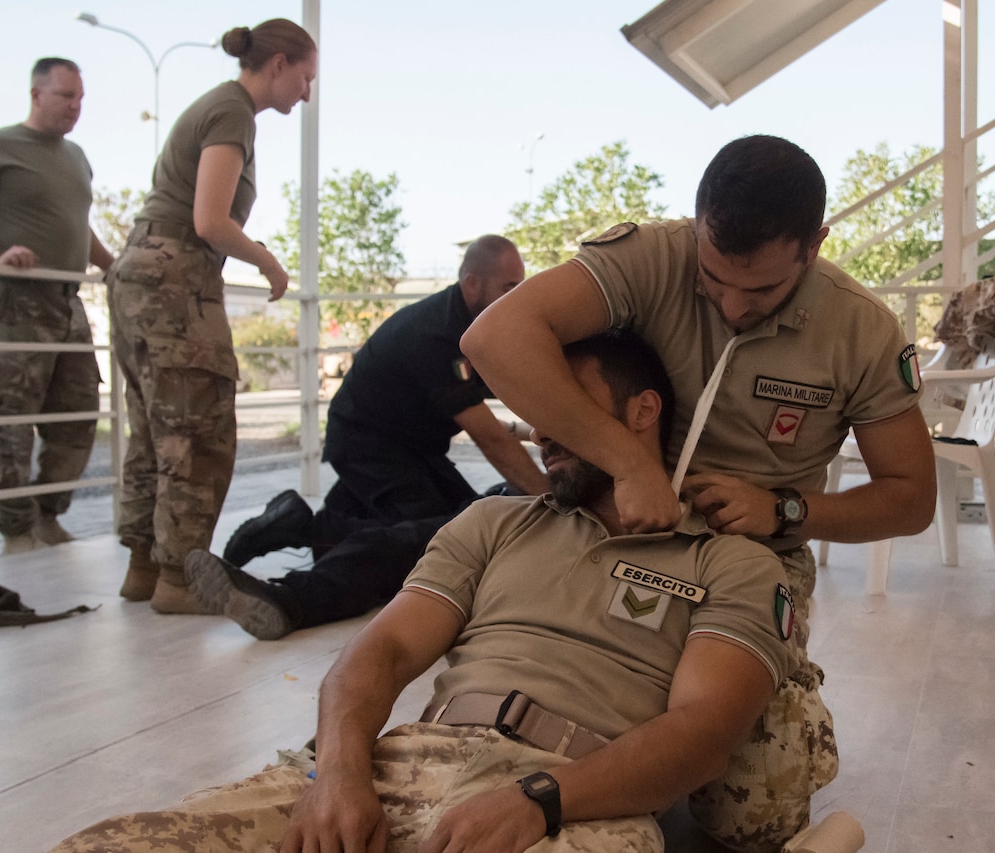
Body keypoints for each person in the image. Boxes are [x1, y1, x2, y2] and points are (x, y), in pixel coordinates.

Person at [47, 329, 800, 853]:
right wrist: (338, 774)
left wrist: (541, 798)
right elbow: (381, 649)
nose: (542, 426)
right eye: (537, 407)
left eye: (567, 404)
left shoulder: (730, 562)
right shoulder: (496, 522)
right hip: (402, 760)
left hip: (575, 800)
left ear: (642, 413)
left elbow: (703, 734)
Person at [461, 134, 933, 849]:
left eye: (763, 289)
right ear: (696, 226)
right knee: (537, 716)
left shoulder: (862, 329)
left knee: (751, 813)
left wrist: (786, 508)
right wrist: (629, 461)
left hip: (749, 561)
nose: (734, 306)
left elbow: (912, 496)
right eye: (714, 280)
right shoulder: (653, 254)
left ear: (815, 245)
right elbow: (495, 337)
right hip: (612, 526)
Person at [110, 19, 317, 614]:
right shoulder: (233, 112)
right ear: (278, 64)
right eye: (305, 78)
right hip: (175, 277)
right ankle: (178, 579)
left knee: (155, 430)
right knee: (198, 432)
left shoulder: (220, 107)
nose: (306, 93)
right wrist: (268, 262)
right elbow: (211, 221)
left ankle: (144, 567)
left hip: (140, 272)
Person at [210, 234, 547, 582]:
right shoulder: (436, 335)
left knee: (461, 519)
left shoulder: (474, 325)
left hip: (413, 448)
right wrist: (551, 498)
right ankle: (302, 526)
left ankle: (323, 529)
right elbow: (489, 438)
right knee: (438, 539)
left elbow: (522, 388)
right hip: (366, 443)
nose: (515, 299)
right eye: (509, 287)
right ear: (473, 285)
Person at [0, 57, 116, 555]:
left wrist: (113, 267)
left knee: (77, 416)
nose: (75, 107)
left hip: (68, 302)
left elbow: (77, 227)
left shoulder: (77, 157)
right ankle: (15, 530)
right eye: (65, 96)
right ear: (36, 95)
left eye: (80, 97)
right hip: (13, 304)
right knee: (12, 422)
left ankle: (48, 515)